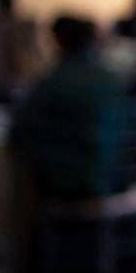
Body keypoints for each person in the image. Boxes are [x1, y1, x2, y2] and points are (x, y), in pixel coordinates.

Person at [11, 16, 124, 200]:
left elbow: (19, 135)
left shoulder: (53, 82)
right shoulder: (110, 81)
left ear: (59, 41)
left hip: (69, 184)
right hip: (111, 177)